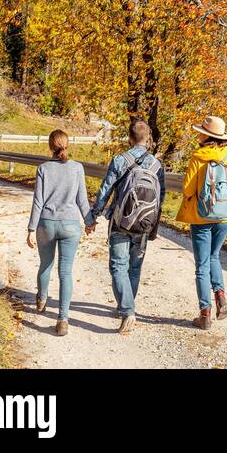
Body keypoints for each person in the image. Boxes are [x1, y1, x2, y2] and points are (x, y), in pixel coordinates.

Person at [86, 118, 165, 334]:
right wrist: (153, 226)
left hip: (121, 222)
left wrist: (93, 216)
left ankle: (127, 309)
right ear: (148, 138)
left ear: (130, 138)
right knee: (134, 267)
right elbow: (161, 197)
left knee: (118, 267)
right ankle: (127, 305)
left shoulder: (120, 160)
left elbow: (105, 190)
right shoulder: (157, 165)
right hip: (144, 224)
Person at [177, 116, 227, 330]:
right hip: (225, 217)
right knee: (214, 256)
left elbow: (187, 189)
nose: (199, 134)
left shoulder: (198, 157)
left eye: (201, 132)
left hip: (201, 217)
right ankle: (221, 295)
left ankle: (205, 314)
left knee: (201, 266)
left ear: (207, 136)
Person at [26, 130, 92, 336]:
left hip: (46, 223)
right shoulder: (77, 168)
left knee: (45, 264)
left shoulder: (43, 168)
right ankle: (63, 319)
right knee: (66, 272)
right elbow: (82, 199)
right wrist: (89, 221)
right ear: (67, 145)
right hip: (71, 225)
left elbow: (38, 201)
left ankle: (41, 299)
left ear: (50, 147)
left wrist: (30, 228)